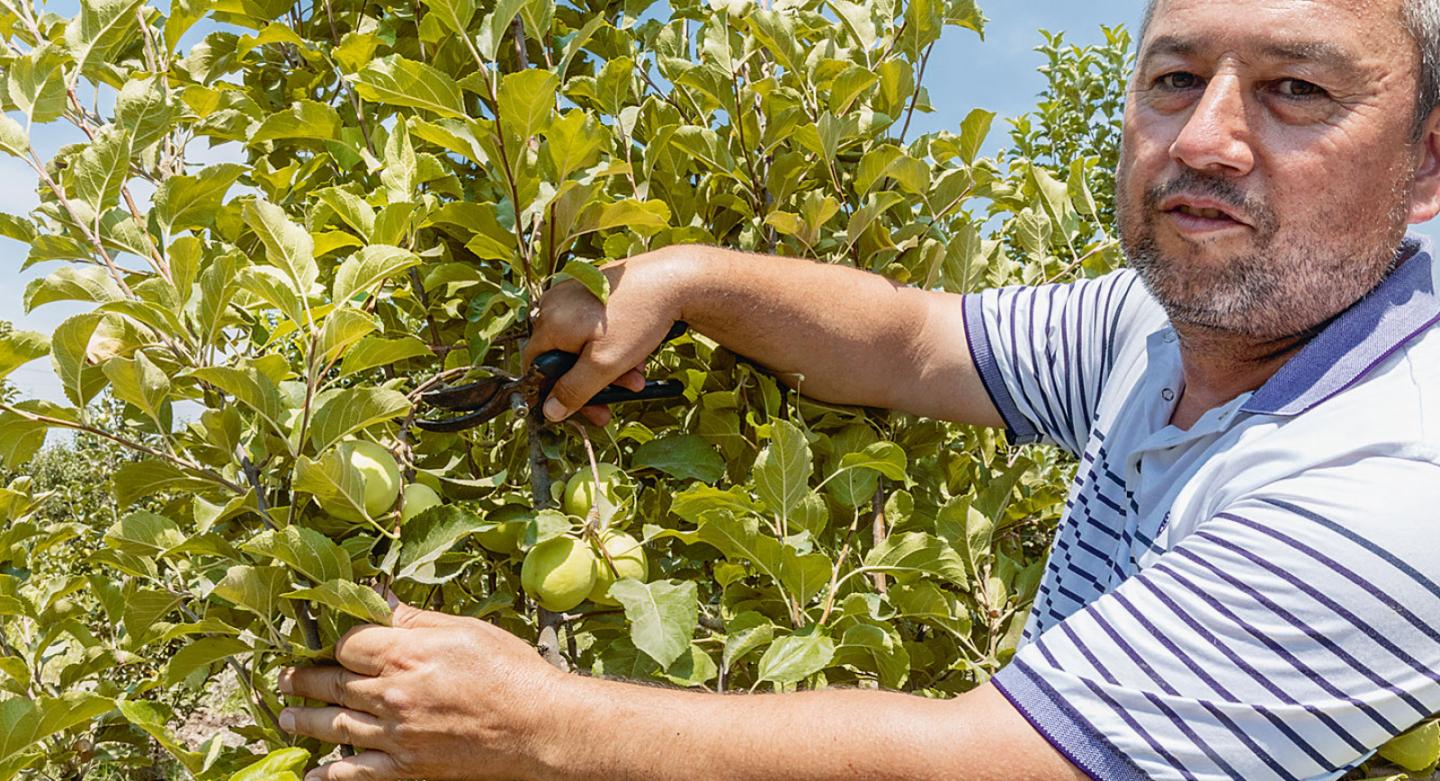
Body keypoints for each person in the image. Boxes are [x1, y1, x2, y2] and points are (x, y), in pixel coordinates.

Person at [275, 0, 1440, 778]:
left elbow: (990, 768)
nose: (1205, 138)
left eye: (1297, 90)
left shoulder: (1394, 481)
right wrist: (685, 278)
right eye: (1175, 79)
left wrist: (539, 725)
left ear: (1427, 162)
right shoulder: (1170, 322)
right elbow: (911, 339)